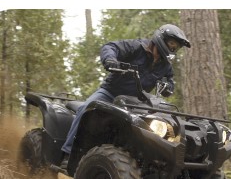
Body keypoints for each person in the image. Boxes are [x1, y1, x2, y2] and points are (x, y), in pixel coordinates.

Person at [60, 24, 190, 163]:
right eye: (172, 43)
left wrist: (168, 87)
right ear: (161, 38)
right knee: (85, 109)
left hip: (137, 103)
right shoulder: (136, 47)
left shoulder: (165, 66)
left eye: (176, 46)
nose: (173, 48)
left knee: (157, 127)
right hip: (110, 94)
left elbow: (169, 81)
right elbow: (110, 47)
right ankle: (67, 154)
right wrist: (110, 60)